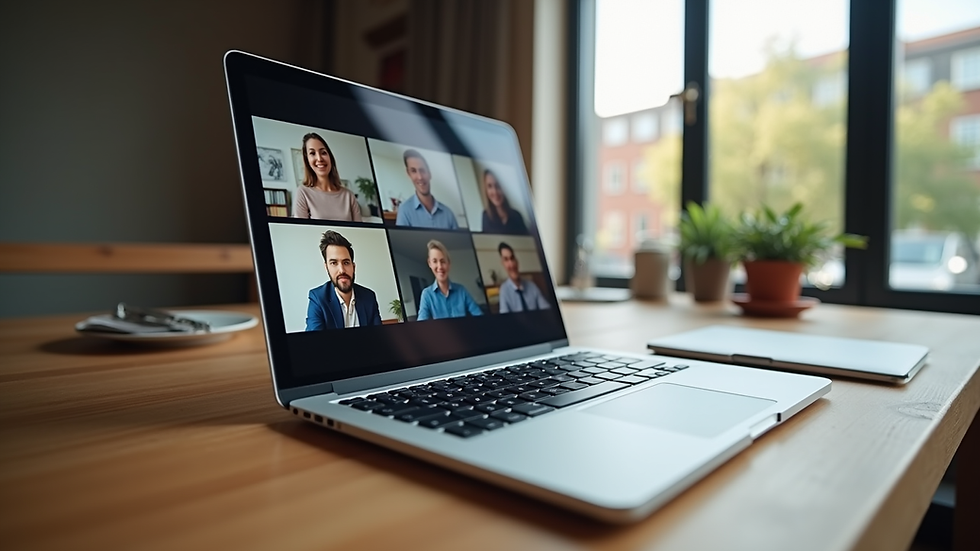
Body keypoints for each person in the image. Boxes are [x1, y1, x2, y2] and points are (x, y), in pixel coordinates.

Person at [305, 230, 382, 330]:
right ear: (326, 267)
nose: (341, 270)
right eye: (334, 263)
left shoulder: (369, 297)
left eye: (346, 263)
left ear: (353, 267)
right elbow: (314, 343)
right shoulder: (317, 299)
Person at [292, 133, 363, 222]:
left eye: (323, 152)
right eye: (312, 153)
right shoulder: (303, 193)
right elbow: (301, 231)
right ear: (307, 160)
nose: (319, 158)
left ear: (330, 158)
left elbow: (360, 230)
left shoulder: (348, 195)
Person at [416, 240, 483, 320]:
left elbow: (479, 315)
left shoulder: (462, 290)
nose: (440, 266)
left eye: (443, 261)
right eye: (435, 261)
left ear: (449, 264)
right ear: (430, 263)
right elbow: (421, 324)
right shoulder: (426, 295)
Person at [394, 149, 459, 229]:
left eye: (422, 170)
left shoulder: (448, 214)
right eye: (413, 171)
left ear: (430, 173)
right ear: (409, 174)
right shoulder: (404, 211)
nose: (420, 177)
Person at [496, 242, 550, 313]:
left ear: (517, 261)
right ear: (503, 264)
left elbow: (546, 308)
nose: (511, 264)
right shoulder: (504, 290)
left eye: (512, 258)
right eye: (506, 260)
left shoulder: (532, 286)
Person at [480, 169, 528, 234]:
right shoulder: (485, 216)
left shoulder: (517, 216)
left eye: (498, 186)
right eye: (489, 186)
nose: (495, 192)